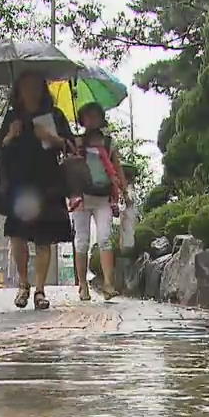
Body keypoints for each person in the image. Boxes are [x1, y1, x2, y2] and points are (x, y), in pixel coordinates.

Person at [0, 70, 75, 310]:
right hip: (19, 185)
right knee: (17, 236)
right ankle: (23, 283)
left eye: (35, 85)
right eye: (26, 86)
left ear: (43, 89)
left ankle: (40, 290)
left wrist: (52, 138)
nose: (31, 90)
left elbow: (71, 146)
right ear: (18, 91)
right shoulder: (12, 117)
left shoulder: (55, 115)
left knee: (44, 238)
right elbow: (0, 149)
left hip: (48, 183)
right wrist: (10, 135)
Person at [69, 102, 130, 301]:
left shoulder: (108, 143)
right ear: (82, 120)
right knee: (82, 241)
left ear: (101, 118)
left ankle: (108, 284)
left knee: (104, 238)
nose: (92, 120)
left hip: (103, 197)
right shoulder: (77, 142)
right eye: (87, 116)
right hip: (81, 197)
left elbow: (117, 167)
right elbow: (68, 165)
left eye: (95, 116)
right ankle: (83, 285)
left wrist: (124, 190)